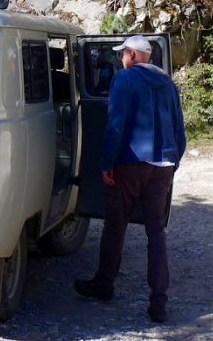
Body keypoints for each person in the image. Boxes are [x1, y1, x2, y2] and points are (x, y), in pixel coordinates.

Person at [74, 34, 186, 323]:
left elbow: (116, 124)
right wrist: (173, 164)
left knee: (115, 224)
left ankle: (104, 284)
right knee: (156, 232)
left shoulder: (124, 80)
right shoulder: (168, 84)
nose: (120, 59)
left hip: (131, 163)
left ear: (133, 55)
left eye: (122, 54)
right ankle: (158, 299)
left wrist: (107, 163)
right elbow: (179, 130)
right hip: (162, 164)